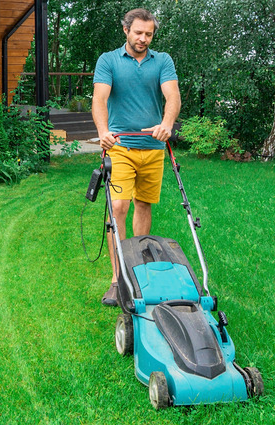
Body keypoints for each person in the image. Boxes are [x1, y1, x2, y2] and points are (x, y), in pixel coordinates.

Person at [92, 8, 181, 306]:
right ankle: (118, 281)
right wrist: (103, 131)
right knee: (118, 206)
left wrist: (166, 125)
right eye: (138, 33)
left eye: (149, 34)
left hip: (153, 148)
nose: (143, 39)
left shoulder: (163, 61)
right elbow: (100, 99)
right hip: (120, 146)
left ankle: (138, 271)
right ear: (126, 30)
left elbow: (173, 97)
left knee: (143, 204)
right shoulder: (109, 61)